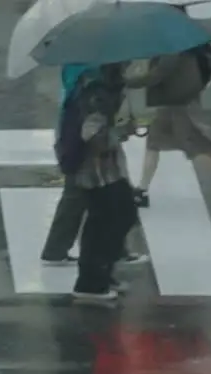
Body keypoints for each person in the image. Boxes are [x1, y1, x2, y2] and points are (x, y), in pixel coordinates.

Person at [125, 42, 211, 217]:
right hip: (171, 102)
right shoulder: (187, 41)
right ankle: (142, 191)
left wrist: (128, 82)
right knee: (154, 142)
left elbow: (158, 74)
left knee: (198, 146)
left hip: (179, 105)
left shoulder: (173, 46)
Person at [41, 63, 148, 268]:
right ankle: (110, 253)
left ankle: (57, 250)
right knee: (110, 203)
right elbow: (92, 130)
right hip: (92, 157)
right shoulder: (96, 87)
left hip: (83, 149)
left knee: (87, 200)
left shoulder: (91, 76)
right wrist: (118, 132)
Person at [67, 63, 139, 303]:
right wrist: (117, 133)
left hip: (107, 170)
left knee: (112, 218)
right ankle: (92, 281)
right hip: (97, 172)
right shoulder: (96, 91)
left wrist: (125, 125)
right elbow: (91, 134)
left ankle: (100, 275)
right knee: (110, 219)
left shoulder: (110, 87)